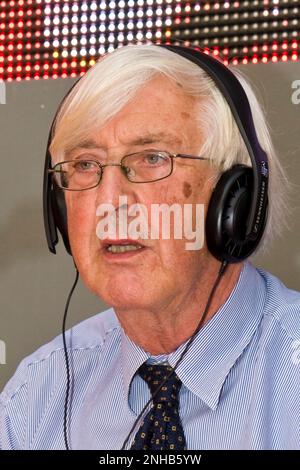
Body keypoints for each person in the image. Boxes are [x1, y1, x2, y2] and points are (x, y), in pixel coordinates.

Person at [0, 44, 299, 450]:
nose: (109, 203)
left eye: (152, 158)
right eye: (85, 164)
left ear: (235, 201)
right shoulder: (34, 399)